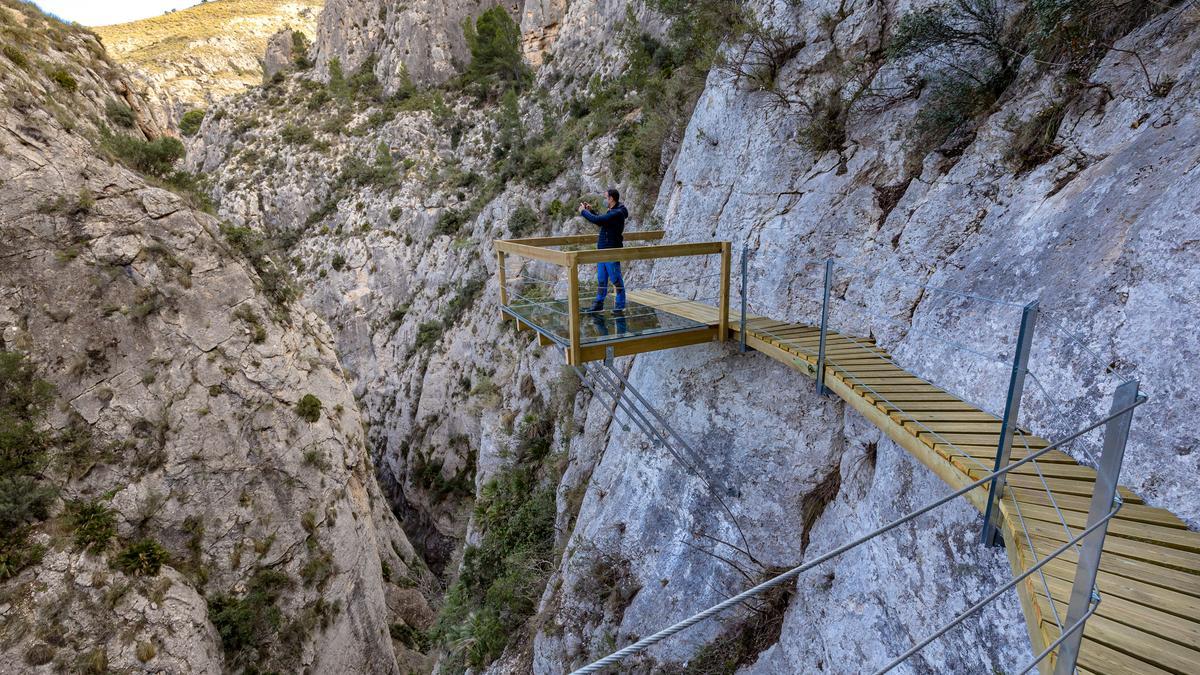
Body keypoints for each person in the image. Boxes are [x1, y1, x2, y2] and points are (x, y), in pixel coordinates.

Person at [579, 188, 629, 313]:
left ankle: (620, 305)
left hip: (611, 250)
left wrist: (583, 212)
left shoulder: (617, 213)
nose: (604, 200)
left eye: (605, 197)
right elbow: (603, 222)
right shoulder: (612, 211)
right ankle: (598, 304)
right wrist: (591, 211)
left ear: (611, 198)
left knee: (616, 279)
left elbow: (598, 220)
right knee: (601, 279)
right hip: (602, 250)